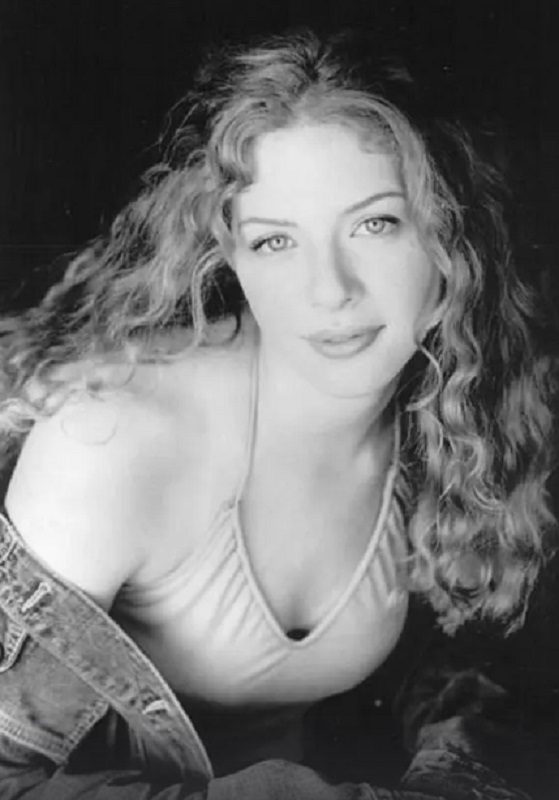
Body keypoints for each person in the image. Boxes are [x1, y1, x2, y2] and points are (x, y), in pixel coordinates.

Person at [0, 27, 554, 800]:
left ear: (452, 244)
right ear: (230, 254)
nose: (329, 290)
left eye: (374, 224)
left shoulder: (461, 420)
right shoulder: (112, 437)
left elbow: (482, 680)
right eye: (274, 242)